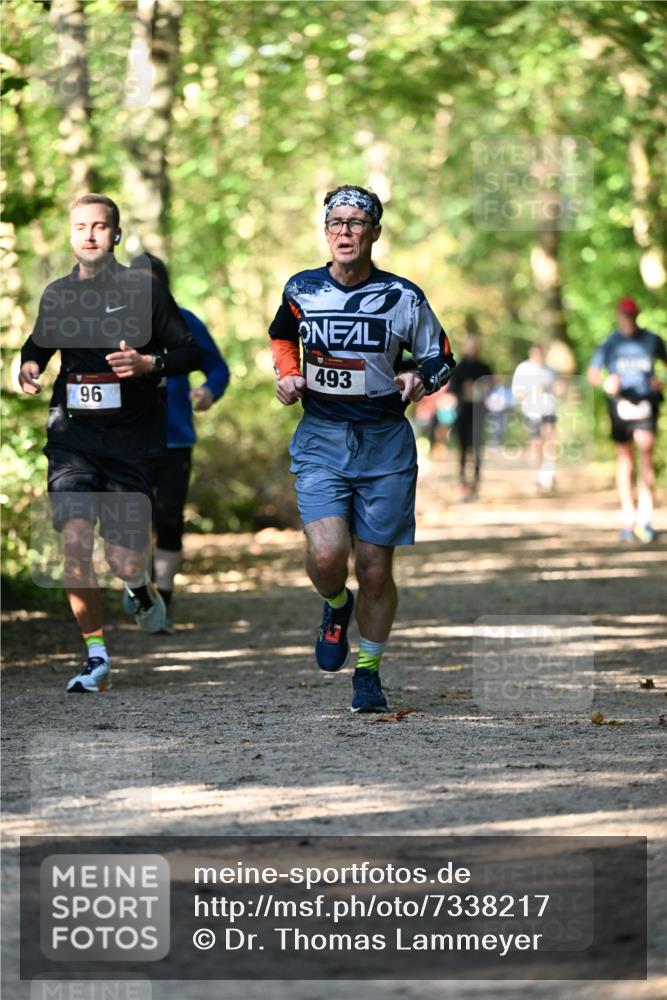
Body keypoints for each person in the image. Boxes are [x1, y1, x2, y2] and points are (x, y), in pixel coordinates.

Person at [269, 184, 456, 713]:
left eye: (356, 223)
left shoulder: (403, 297)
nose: (344, 232)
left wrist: (420, 377)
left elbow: (442, 357)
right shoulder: (302, 288)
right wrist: (288, 376)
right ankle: (334, 605)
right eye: (336, 223)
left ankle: (368, 673)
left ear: (374, 231)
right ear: (326, 232)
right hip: (322, 436)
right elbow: (282, 337)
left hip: (384, 443)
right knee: (328, 554)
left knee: (375, 566)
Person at [18, 194, 201, 692]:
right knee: (75, 542)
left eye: (100, 226)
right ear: (71, 235)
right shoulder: (57, 294)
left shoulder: (145, 292)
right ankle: (95, 654)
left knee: (122, 558)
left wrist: (149, 365)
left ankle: (137, 585)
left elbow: (189, 352)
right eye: (81, 226)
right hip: (72, 438)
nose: (91, 234)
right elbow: (39, 343)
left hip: (133, 442)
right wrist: (29, 364)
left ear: (116, 235)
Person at [125, 253, 230, 629]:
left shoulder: (185, 322)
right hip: (125, 439)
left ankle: (163, 601)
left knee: (168, 518)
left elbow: (218, 368)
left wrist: (207, 392)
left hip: (175, 437)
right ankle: (139, 585)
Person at [587, 298, 666, 543]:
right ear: (618, 316)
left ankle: (645, 519)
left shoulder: (652, 340)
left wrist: (660, 379)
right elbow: (592, 374)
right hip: (620, 405)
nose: (628, 319)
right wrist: (605, 383)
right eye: (624, 315)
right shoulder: (610, 343)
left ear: (637, 316)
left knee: (645, 453)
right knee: (625, 459)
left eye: (632, 315)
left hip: (646, 402)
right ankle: (628, 519)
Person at [445, 334, 493, 500]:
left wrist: (482, 388)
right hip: (463, 414)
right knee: (463, 450)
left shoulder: (484, 367)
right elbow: (452, 389)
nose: (472, 349)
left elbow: (491, 387)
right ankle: (462, 484)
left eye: (475, 346)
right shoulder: (459, 368)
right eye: (470, 346)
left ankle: (476, 484)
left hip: (479, 414)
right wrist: (464, 389)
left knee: (477, 450)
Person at [511, 343, 559, 492]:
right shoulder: (523, 369)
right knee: (535, 444)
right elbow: (516, 393)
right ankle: (536, 477)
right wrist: (531, 390)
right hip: (531, 412)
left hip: (549, 410)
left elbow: (558, 388)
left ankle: (549, 475)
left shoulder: (550, 370)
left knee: (550, 443)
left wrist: (557, 388)